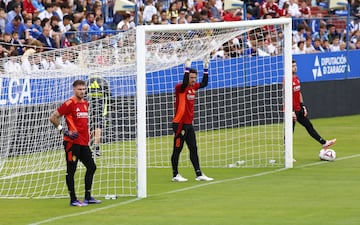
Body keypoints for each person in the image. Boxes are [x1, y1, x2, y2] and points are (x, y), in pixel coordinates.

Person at [49, 80, 101, 206]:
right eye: (80, 89)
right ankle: (73, 199)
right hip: (71, 143)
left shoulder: (85, 103)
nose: (82, 91)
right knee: (71, 170)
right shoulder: (69, 103)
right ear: (74, 89)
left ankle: (88, 197)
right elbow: (53, 117)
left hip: (83, 143)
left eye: (84, 89)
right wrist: (64, 131)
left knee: (92, 167)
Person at [171, 58, 213, 182]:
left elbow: (204, 84)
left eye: (195, 78)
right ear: (187, 77)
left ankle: (199, 173)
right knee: (177, 149)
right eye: (191, 77)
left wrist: (206, 69)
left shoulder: (193, 87)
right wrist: (186, 68)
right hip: (179, 123)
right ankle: (175, 174)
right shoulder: (180, 87)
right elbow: (184, 83)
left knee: (193, 148)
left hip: (189, 124)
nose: (193, 80)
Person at [291, 60, 336, 160]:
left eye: (295, 65)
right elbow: (286, 95)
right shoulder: (287, 80)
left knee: (309, 125)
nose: (295, 67)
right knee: (289, 132)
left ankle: (324, 143)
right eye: (293, 66)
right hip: (291, 111)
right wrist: (291, 111)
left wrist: (303, 105)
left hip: (298, 109)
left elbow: (299, 93)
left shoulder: (296, 78)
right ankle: (287, 155)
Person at [86, 76, 111, 157]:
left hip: (88, 108)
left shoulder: (88, 81)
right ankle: (96, 148)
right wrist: (110, 107)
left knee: (90, 128)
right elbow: (109, 96)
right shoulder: (104, 81)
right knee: (97, 128)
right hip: (100, 108)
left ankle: (87, 148)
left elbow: (82, 96)